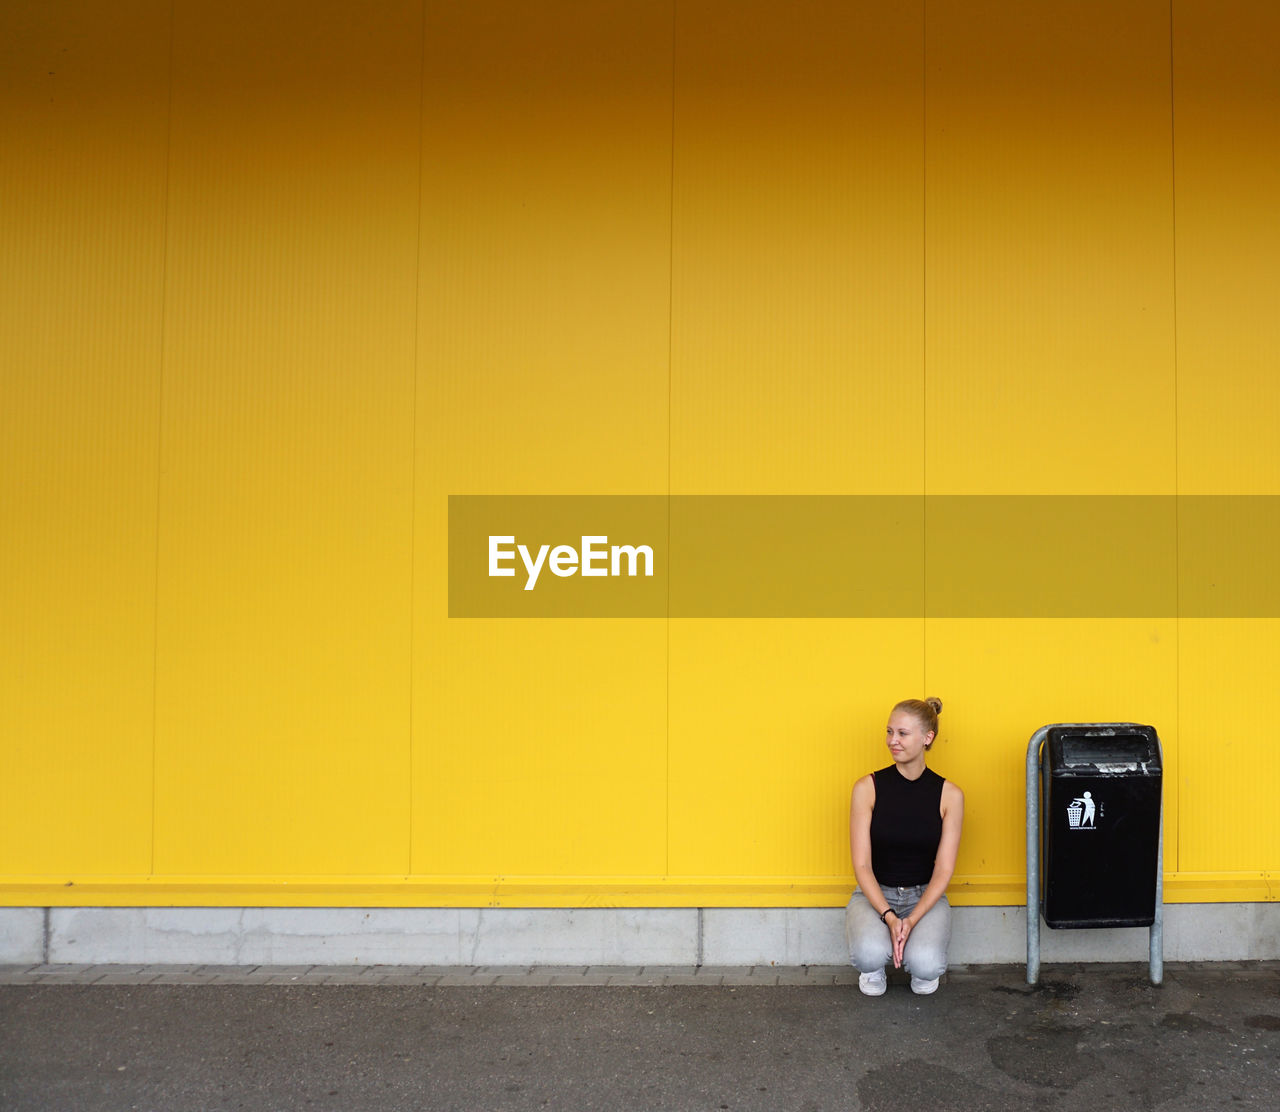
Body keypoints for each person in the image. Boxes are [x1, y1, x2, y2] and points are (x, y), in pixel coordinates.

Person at [845, 697, 964, 996]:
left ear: (927, 738)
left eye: (902, 733)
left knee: (925, 965)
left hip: (924, 895)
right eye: (889, 732)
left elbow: (944, 869)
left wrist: (910, 920)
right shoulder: (866, 788)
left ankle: (916, 956)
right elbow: (861, 865)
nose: (892, 741)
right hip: (875, 894)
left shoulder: (950, 795)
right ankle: (874, 966)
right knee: (869, 954)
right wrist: (888, 915)